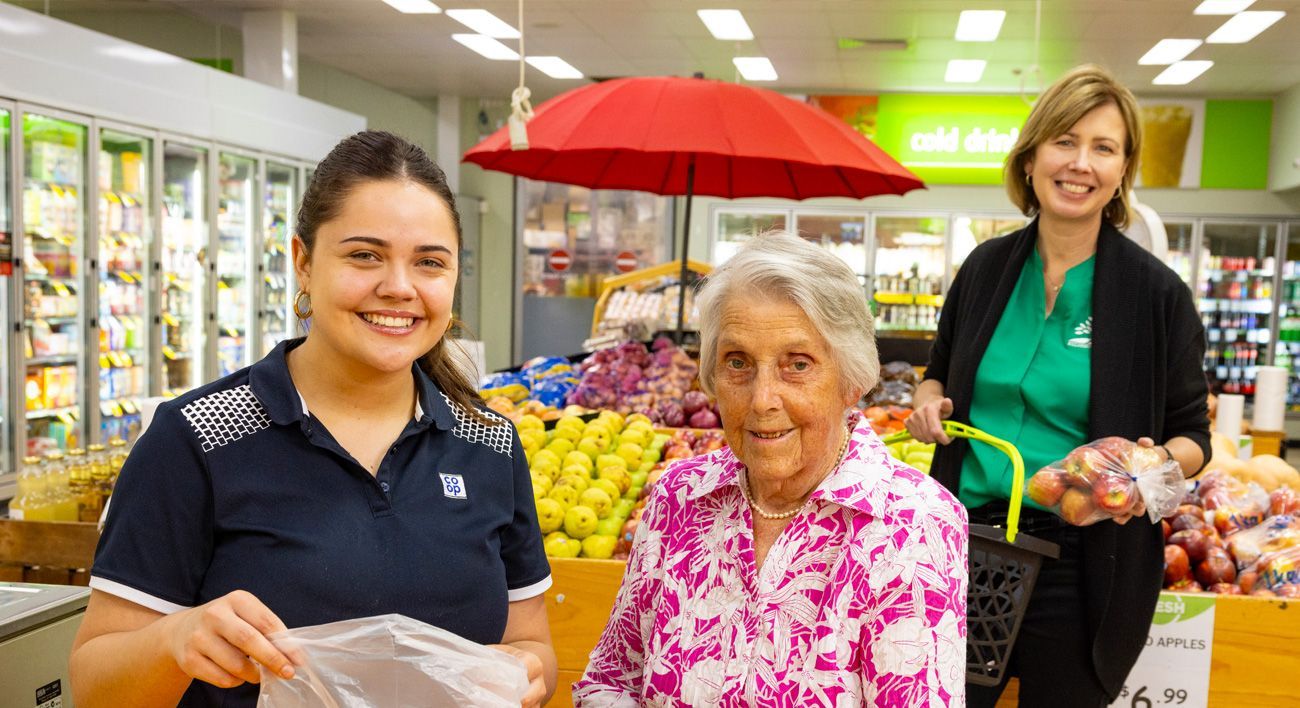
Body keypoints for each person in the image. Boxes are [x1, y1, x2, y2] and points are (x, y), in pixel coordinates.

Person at [69, 130, 556, 707]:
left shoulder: (490, 444)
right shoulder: (197, 436)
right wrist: (174, 641)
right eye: (364, 255)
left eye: (429, 262)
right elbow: (93, 685)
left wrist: (528, 673)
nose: (398, 287)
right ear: (302, 262)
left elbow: (531, 643)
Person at [905, 64, 1210, 707]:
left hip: (1085, 561)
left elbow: (1193, 437)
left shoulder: (1156, 295)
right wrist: (927, 405)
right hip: (962, 546)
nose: (1080, 163)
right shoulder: (986, 269)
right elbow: (937, 374)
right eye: (1064, 141)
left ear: (1123, 170)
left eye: (1104, 148)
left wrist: (1149, 466)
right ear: (1032, 155)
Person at [573, 232, 969, 706]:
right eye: (737, 362)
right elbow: (610, 678)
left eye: (796, 365)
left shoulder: (912, 525)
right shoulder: (678, 498)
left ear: (851, 379)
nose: (762, 401)